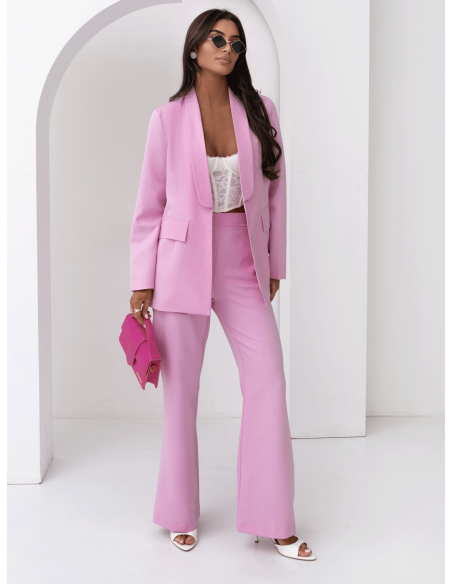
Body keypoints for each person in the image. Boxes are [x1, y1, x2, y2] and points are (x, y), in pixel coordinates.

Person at [129, 9, 315, 561]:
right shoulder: (167, 119)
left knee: (267, 379)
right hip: (178, 264)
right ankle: (178, 514)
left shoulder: (261, 110)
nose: (228, 49)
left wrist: (274, 264)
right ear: (195, 47)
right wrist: (141, 280)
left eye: (236, 43)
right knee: (180, 395)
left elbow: (276, 193)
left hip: (242, 262)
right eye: (217, 39)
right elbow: (149, 206)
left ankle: (273, 519)